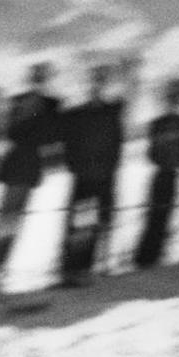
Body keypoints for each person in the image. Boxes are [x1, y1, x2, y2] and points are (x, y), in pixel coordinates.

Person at [0, 62, 61, 295]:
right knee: (4, 220)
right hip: (15, 167)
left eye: (41, 77)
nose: (38, 80)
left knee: (12, 222)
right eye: (35, 76)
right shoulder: (19, 101)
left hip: (28, 168)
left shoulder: (52, 104)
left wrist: (37, 115)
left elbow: (50, 136)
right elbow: (13, 131)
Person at [55, 65, 127, 287]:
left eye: (100, 82)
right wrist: (75, 166)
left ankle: (83, 269)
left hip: (102, 178)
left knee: (91, 225)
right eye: (94, 81)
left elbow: (117, 145)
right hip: (83, 177)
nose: (96, 86)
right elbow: (68, 143)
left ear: (103, 85)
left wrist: (109, 171)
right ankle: (68, 270)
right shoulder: (77, 113)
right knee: (76, 224)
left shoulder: (111, 114)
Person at [131, 76, 179, 270]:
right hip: (161, 174)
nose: (174, 102)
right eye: (172, 98)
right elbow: (152, 153)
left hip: (172, 174)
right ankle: (144, 257)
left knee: (165, 215)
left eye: (177, 99)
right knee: (155, 215)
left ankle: (156, 254)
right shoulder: (159, 123)